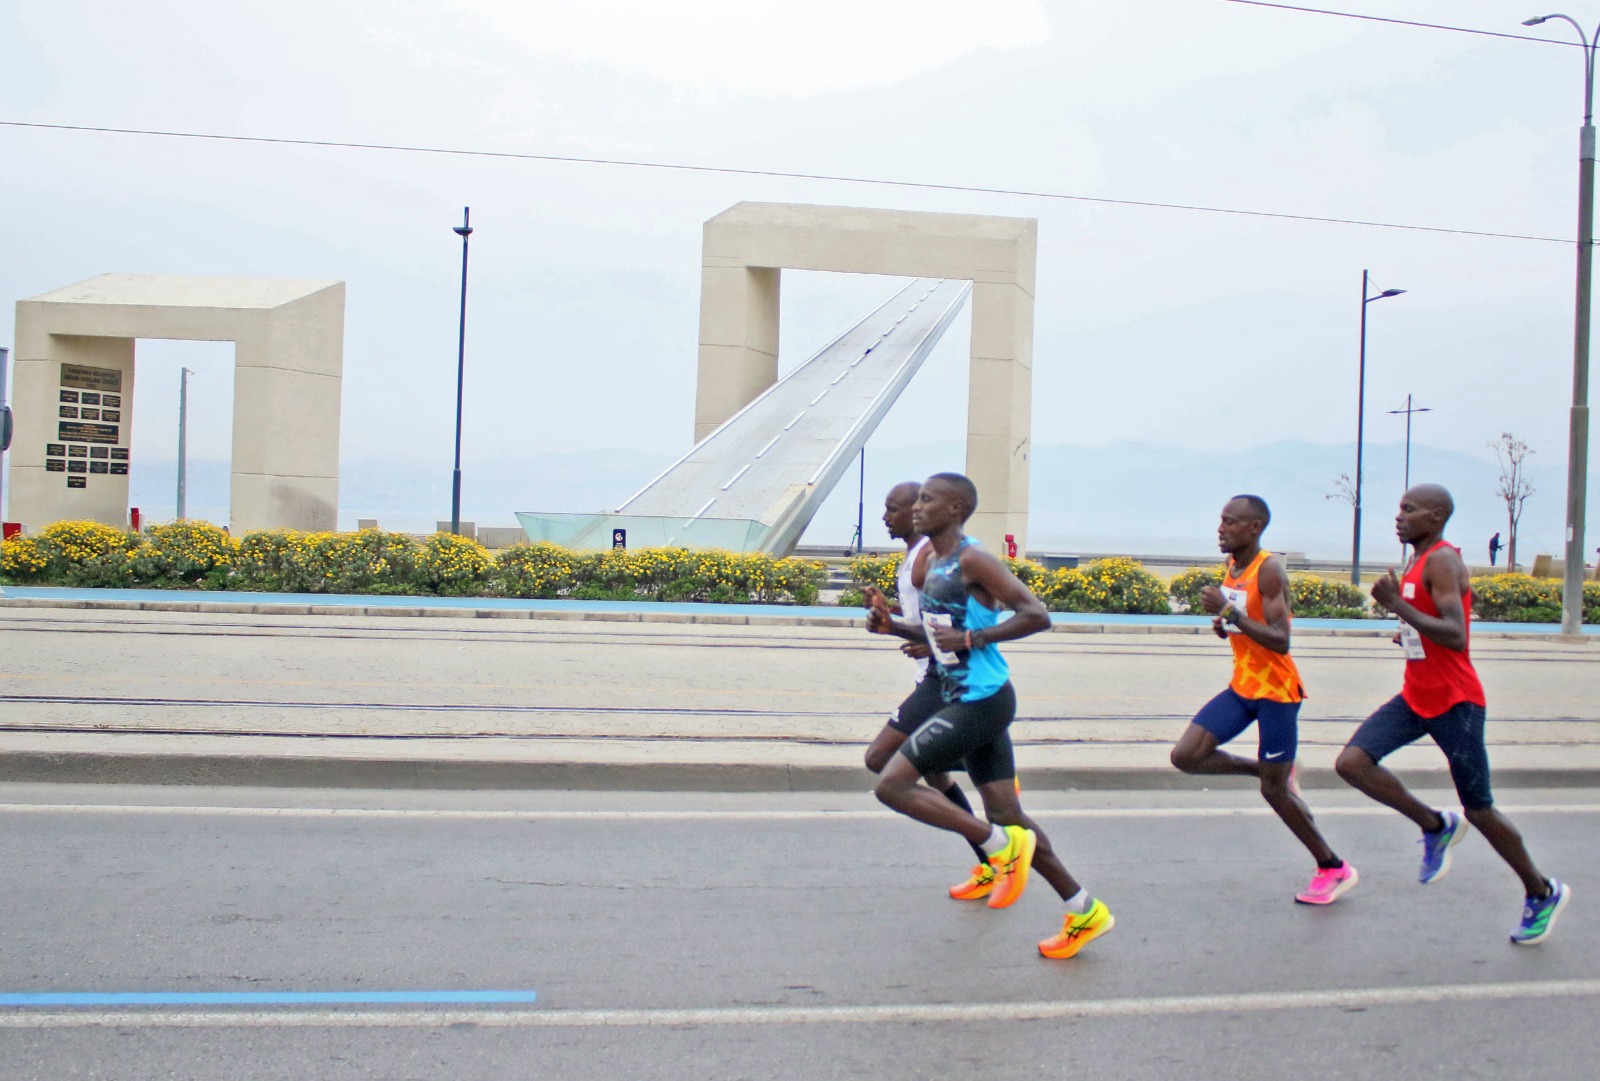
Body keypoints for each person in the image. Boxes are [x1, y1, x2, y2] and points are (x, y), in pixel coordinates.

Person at [867, 472, 1113, 959]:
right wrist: (890, 624)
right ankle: (1083, 907)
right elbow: (941, 628)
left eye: (927, 500)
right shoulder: (934, 560)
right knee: (1007, 812)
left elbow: (1036, 614)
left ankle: (996, 848)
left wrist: (976, 640)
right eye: (915, 500)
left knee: (891, 784)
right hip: (964, 693)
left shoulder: (973, 557)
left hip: (981, 699)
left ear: (956, 508)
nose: (917, 507)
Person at [1335, 484, 1570, 945]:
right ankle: (1434, 825)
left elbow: (1457, 635)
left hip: (1455, 703)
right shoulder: (1418, 560)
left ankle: (1541, 891)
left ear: (1437, 516)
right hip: (1416, 697)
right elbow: (1451, 612)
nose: (1399, 516)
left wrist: (1398, 607)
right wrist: (1406, 630)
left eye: (1410, 509)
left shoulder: (1442, 558)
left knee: (1479, 808)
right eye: (1399, 507)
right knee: (1351, 764)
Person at [1171, 496, 1356, 904]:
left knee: (1275, 794)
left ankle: (1332, 866)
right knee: (1186, 756)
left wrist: (1230, 615)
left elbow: (1281, 640)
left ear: (1254, 528)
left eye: (1230, 522)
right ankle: (1269, 771)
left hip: (1276, 693)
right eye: (1220, 520)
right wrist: (1226, 625)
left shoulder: (1269, 570)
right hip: (1242, 687)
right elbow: (1245, 624)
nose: (1220, 528)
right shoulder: (1233, 568)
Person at [861, 481, 991, 893]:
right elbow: (931, 613)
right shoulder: (915, 558)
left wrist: (931, 642)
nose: (887, 517)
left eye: (893, 508)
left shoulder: (928, 558)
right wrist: (894, 613)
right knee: (934, 773)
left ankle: (997, 844)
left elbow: (964, 615)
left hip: (945, 678)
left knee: (881, 758)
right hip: (936, 674)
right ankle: (990, 861)